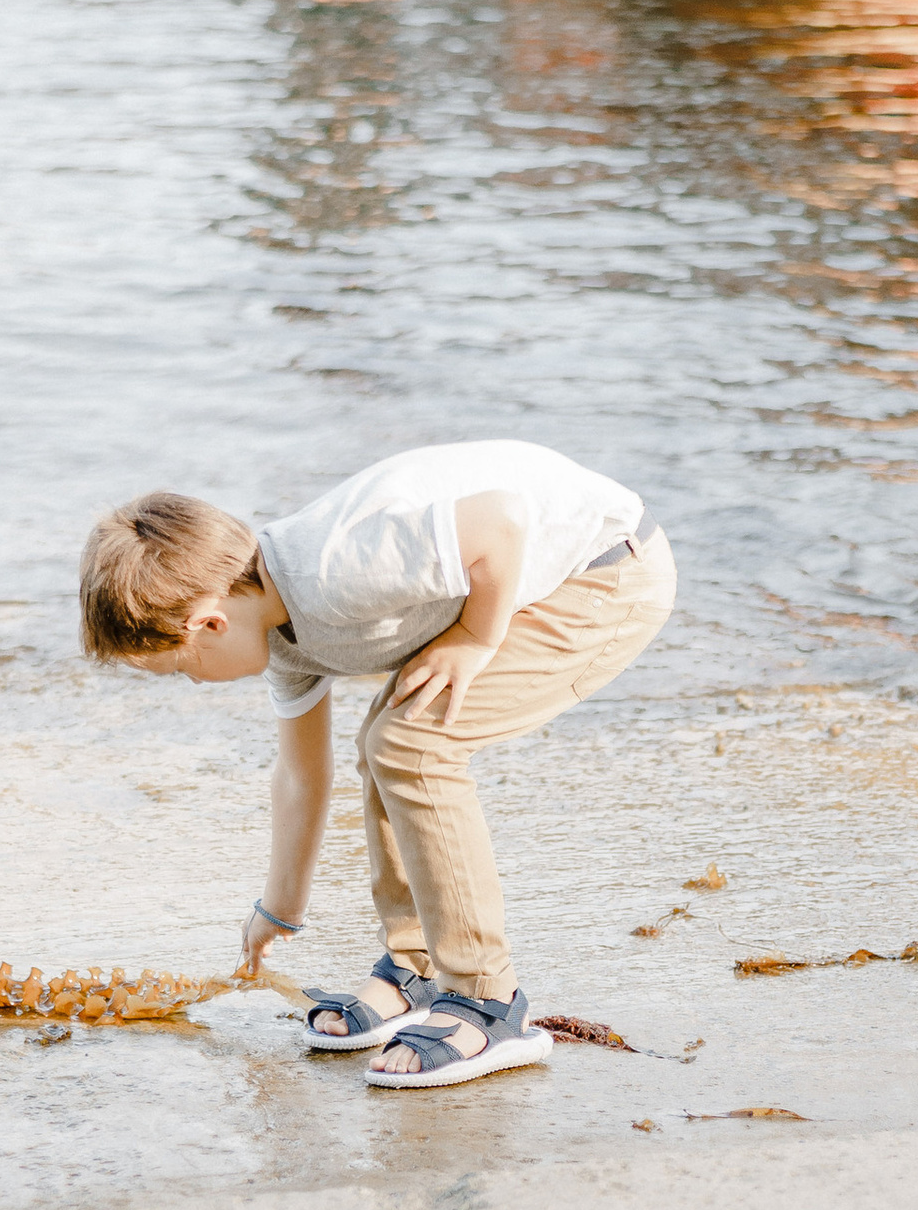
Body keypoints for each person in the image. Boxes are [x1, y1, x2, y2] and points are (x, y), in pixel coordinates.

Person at [78, 440, 674, 1090]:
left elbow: (500, 521)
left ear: (210, 624)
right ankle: (416, 970)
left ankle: (487, 1001)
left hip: (607, 573)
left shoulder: (335, 569)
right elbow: (303, 777)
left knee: (411, 745)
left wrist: (476, 639)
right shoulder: (279, 633)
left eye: (179, 669)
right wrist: (276, 910)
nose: (192, 684)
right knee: (385, 743)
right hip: (532, 579)